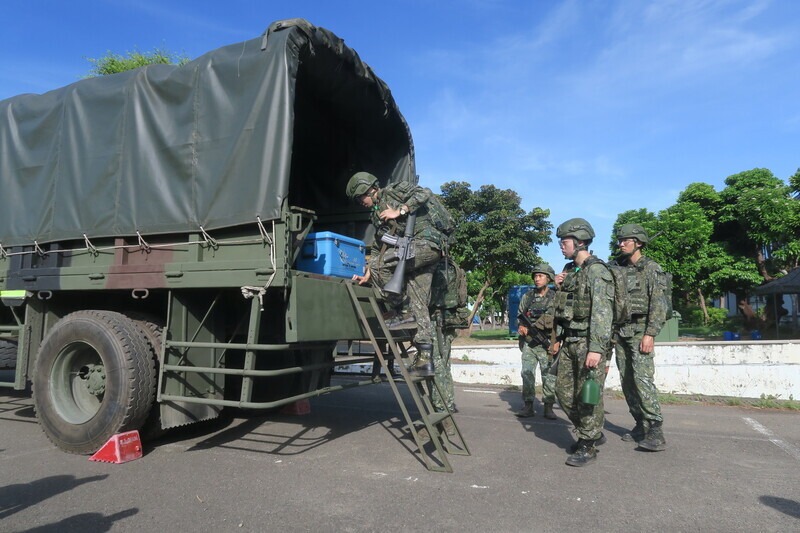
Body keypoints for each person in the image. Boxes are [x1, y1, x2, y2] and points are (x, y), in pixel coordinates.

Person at [345, 172, 448, 377]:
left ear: (369, 189)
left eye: (360, 198)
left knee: (379, 266)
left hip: (425, 244)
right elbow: (379, 244)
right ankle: (425, 358)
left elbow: (424, 193)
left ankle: (401, 309)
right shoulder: (376, 214)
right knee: (418, 301)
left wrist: (400, 210)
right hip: (417, 253)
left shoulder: (394, 191)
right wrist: (368, 272)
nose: (360, 202)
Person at [552, 218, 614, 467]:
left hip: (590, 342)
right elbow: (564, 308)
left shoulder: (597, 270)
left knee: (588, 396)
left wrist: (597, 349)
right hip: (570, 340)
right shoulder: (570, 271)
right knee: (563, 392)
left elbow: (602, 312)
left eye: (564, 241)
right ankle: (592, 431)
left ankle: (587, 443)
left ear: (579, 242)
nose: (561, 246)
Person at [611, 224, 668, 451]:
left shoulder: (651, 268)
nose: (621, 244)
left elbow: (658, 304)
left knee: (643, 380)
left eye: (626, 240)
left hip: (641, 332)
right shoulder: (619, 268)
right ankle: (639, 423)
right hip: (621, 332)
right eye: (620, 240)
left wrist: (650, 334)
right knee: (627, 381)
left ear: (639, 243)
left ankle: (655, 428)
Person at [515, 263, 559, 420]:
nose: (537, 279)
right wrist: (521, 326)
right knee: (527, 373)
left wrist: (557, 341)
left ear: (548, 278)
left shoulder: (555, 297)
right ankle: (528, 405)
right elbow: (519, 316)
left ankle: (548, 406)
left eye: (540, 276)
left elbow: (560, 321)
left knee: (549, 376)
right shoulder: (528, 296)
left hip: (548, 342)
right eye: (535, 276)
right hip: (529, 343)